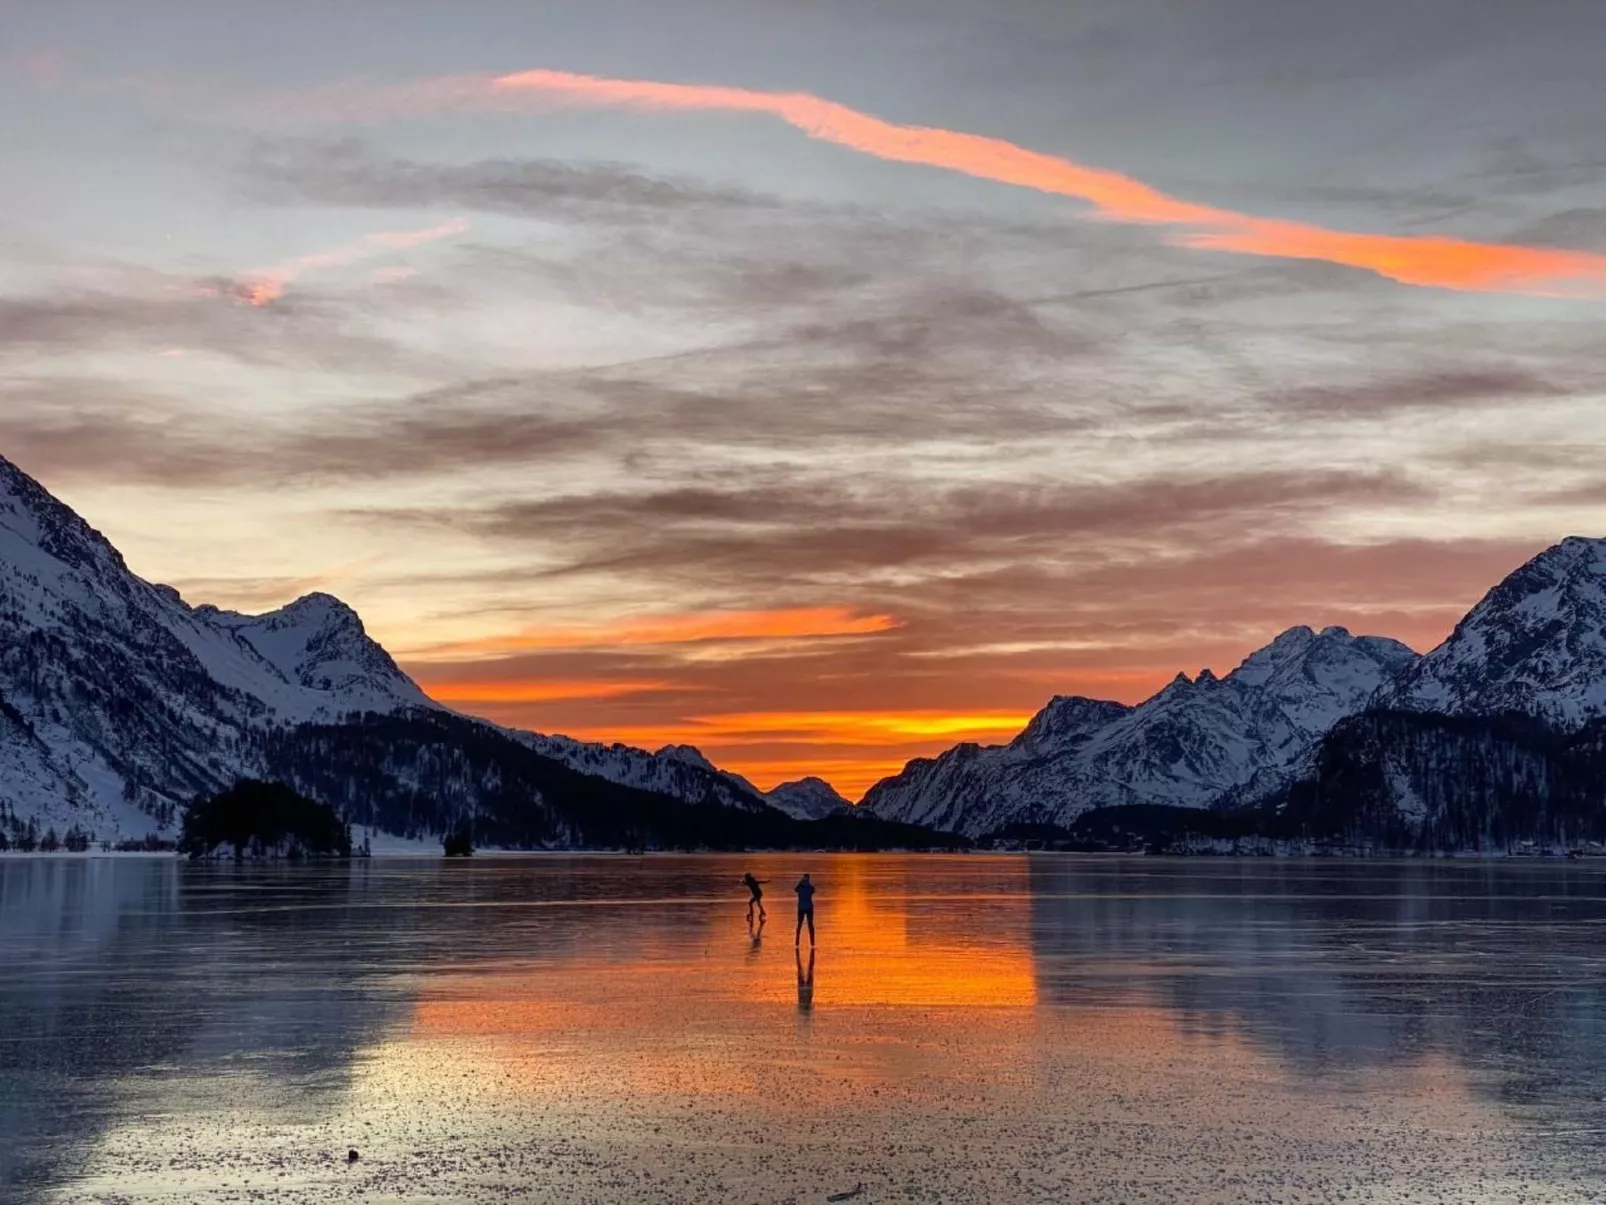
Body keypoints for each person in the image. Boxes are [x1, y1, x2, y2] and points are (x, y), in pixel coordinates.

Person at [794, 872, 816, 947]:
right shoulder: (811, 887)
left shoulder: (801, 887)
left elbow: (795, 889)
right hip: (807, 907)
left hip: (803, 908)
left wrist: (800, 882)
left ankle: (797, 942)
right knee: (809, 925)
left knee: (801, 924)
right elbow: (813, 890)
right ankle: (811, 943)